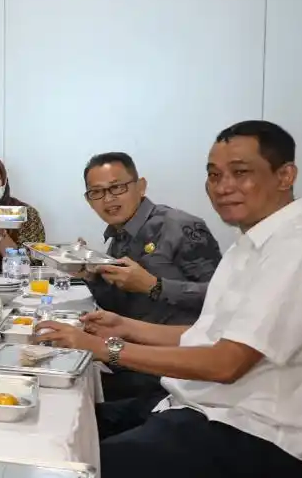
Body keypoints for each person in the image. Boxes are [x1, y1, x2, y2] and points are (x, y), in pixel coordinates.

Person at [35, 121, 302, 478]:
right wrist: (123, 327)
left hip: (259, 430)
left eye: (240, 172)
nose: (223, 187)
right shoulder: (253, 242)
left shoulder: (297, 250)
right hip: (209, 405)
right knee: (71, 423)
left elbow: (225, 362)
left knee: (82, 472)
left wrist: (106, 347)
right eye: (213, 174)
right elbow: (205, 334)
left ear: (285, 175)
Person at [81, 152, 222, 402]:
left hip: (176, 368)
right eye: (97, 192)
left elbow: (220, 299)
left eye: (117, 187)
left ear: (141, 186)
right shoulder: (118, 237)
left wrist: (154, 286)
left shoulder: (180, 227)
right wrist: (89, 276)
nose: (108, 199)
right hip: (133, 357)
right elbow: (124, 307)